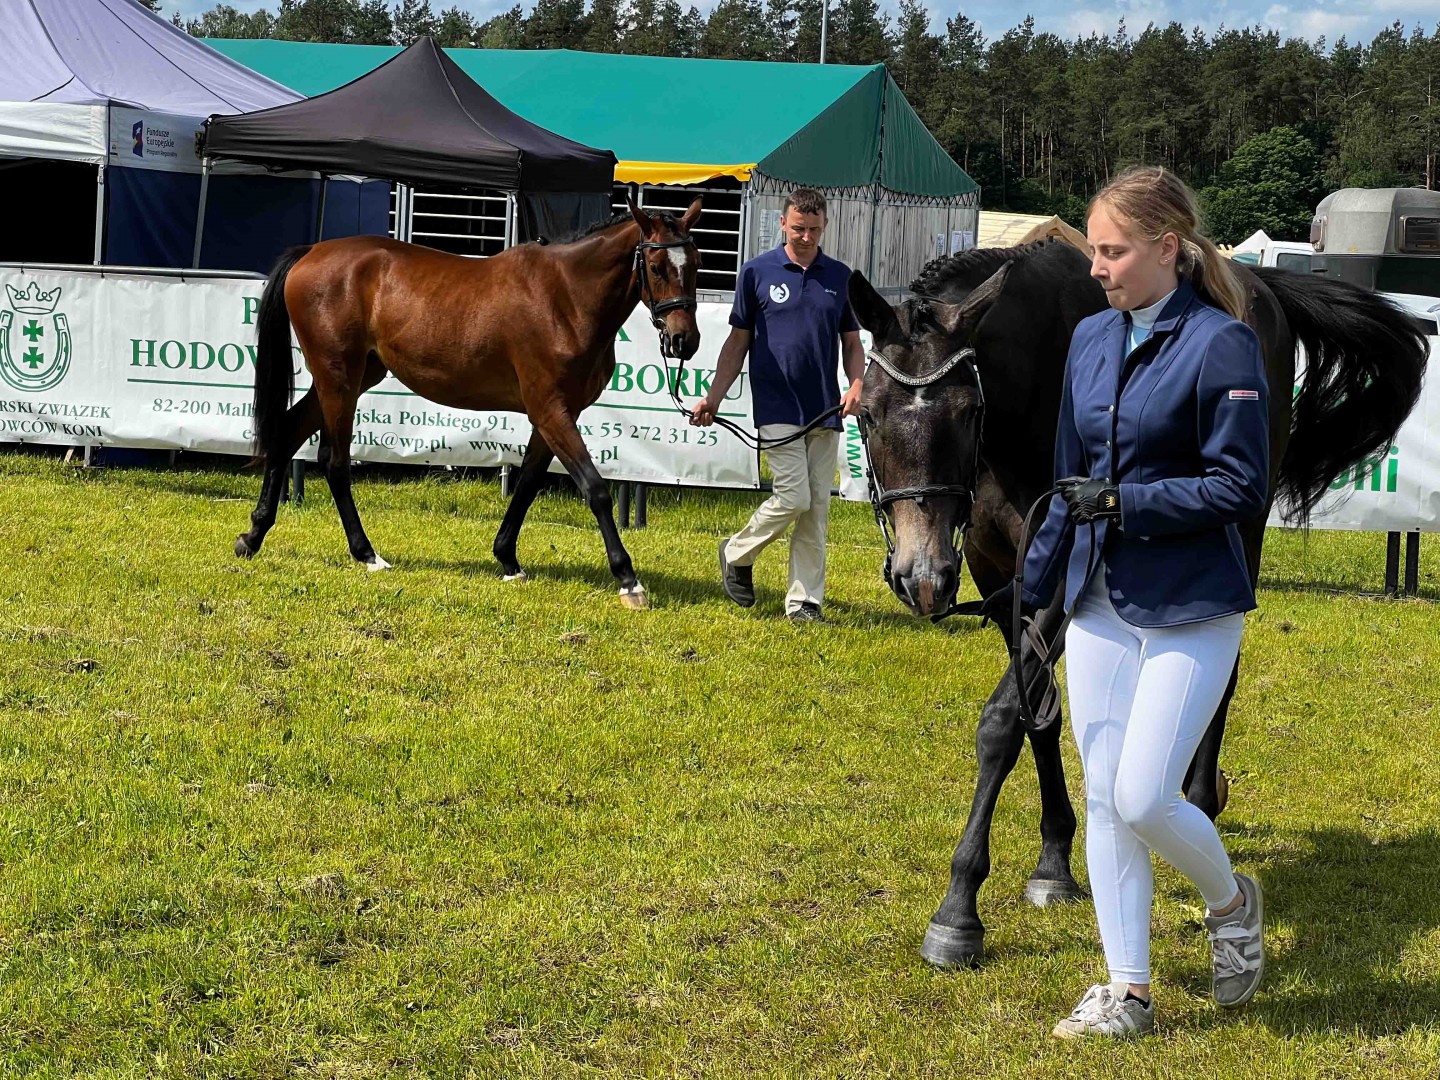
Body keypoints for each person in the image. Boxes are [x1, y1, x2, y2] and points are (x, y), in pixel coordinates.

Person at [990, 166, 1269, 1038]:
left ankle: (1230, 905)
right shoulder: (1088, 342)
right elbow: (1069, 484)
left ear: (1167, 249)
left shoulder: (1223, 344)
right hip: (1098, 601)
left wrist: (1129, 504)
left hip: (1193, 603)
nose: (1096, 267)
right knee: (1107, 794)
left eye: (1111, 251)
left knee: (1148, 795)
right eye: (1094, 251)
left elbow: (1241, 486)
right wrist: (1038, 588)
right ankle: (1128, 989)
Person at [691, 187, 865, 622]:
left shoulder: (839, 277)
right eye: (799, 228)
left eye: (814, 229)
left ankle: (804, 602)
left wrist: (858, 384)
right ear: (783, 224)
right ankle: (736, 552)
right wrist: (713, 397)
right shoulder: (756, 272)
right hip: (776, 406)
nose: (806, 237)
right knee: (794, 497)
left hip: (825, 409)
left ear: (824, 227)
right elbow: (737, 343)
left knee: (816, 511)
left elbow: (851, 342)